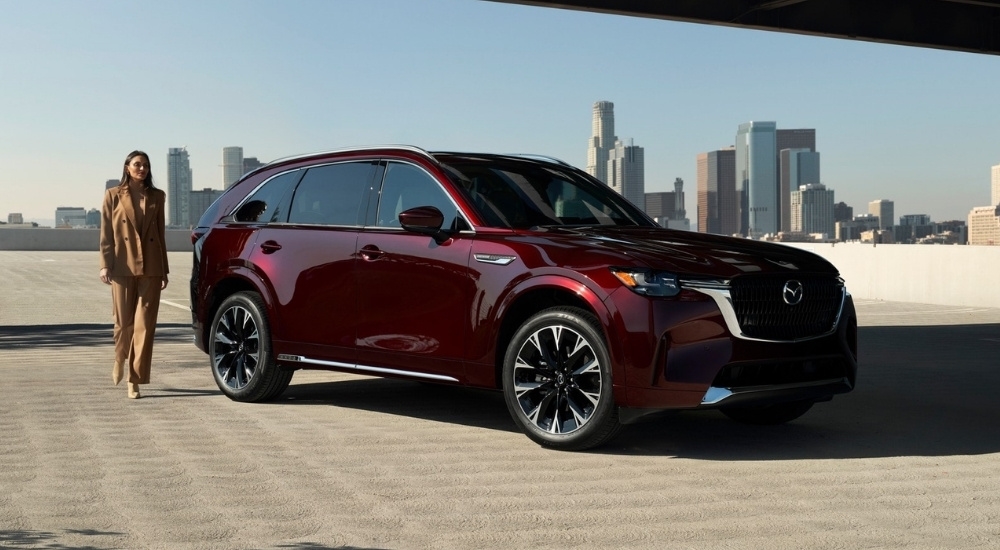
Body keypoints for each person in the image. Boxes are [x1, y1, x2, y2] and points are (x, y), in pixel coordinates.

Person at [98, 150, 169, 399]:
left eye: (146, 165)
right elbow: (106, 233)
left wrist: (164, 269)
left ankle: (134, 379)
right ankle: (120, 357)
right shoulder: (113, 195)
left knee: (145, 326)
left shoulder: (158, 196)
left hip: (151, 268)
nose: (142, 169)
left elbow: (160, 234)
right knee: (123, 324)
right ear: (127, 167)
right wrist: (105, 264)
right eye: (137, 164)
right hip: (122, 266)